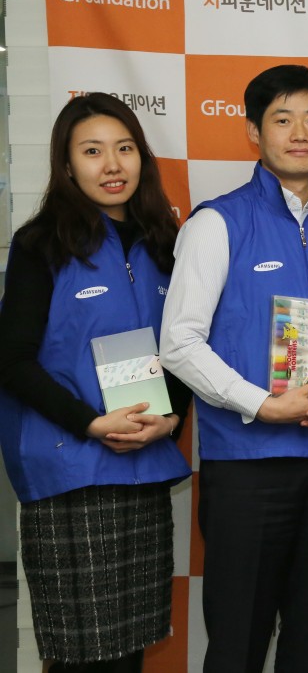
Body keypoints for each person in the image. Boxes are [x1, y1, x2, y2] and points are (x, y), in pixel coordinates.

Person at [160, 65, 308, 672]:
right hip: (249, 468)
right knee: (238, 646)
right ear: (254, 131)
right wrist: (263, 404)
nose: (300, 133)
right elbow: (179, 343)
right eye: (282, 119)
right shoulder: (217, 223)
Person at [0, 93, 191, 672]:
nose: (112, 165)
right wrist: (89, 422)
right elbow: (12, 360)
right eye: (92, 151)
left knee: (128, 653)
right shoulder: (41, 245)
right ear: (66, 163)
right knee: (81, 658)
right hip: (72, 475)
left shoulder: (165, 243)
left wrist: (172, 418)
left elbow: (183, 350)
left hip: (143, 470)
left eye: (125, 148)